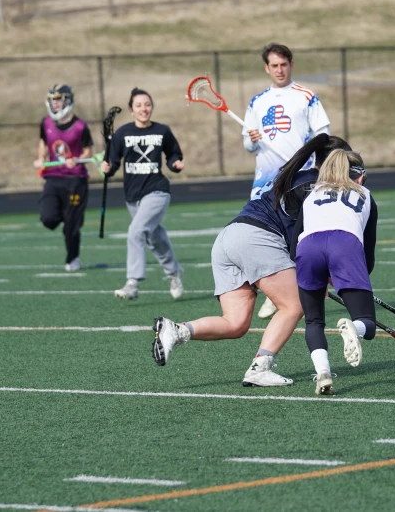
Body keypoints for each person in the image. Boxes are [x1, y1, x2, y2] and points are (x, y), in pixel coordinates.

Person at [151, 134, 353, 388]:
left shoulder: (299, 177)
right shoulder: (317, 188)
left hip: (228, 238)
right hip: (256, 239)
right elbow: (303, 242)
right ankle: (260, 367)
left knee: (235, 324)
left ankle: (177, 330)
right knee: (294, 305)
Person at [243, 42, 331, 320]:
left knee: (298, 237)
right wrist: (251, 139)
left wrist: (313, 164)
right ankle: (274, 293)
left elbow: (323, 134)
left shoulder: (305, 96)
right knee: (269, 236)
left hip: (299, 178)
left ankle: (306, 291)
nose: (279, 70)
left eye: (283, 64)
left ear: (291, 64)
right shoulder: (257, 102)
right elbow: (247, 144)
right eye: (274, 65)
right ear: (266, 68)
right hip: (265, 181)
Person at [289, 149, 378, 395]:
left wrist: (319, 274)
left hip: (308, 249)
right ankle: (354, 328)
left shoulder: (311, 195)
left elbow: (293, 244)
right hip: (345, 246)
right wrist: (346, 277)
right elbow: (367, 254)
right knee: (368, 324)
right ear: (358, 175)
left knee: (313, 321)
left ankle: (323, 374)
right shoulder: (366, 195)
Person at [100, 87, 185, 301]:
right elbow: (114, 162)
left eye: (147, 104)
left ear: (152, 107)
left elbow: (173, 152)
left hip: (157, 191)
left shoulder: (162, 131)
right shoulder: (122, 133)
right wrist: (108, 168)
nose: (143, 109)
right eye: (138, 105)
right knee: (155, 238)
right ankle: (174, 272)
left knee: (136, 231)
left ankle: (133, 282)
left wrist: (175, 163)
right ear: (131, 109)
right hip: (133, 195)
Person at [33, 84, 94, 272]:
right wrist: (41, 158)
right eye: (53, 100)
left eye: (59, 99)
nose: (56, 103)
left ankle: (73, 258)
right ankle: (67, 217)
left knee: (71, 226)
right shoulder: (46, 123)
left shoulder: (80, 127)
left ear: (68, 101)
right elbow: (43, 143)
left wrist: (77, 160)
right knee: (48, 218)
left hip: (75, 180)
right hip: (53, 178)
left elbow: (88, 151)